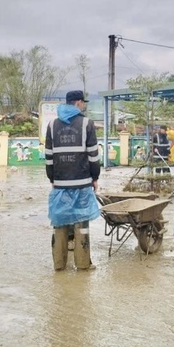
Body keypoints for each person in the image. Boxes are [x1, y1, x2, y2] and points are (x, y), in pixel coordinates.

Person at [45, 90, 101, 271]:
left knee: (60, 223)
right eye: (83, 102)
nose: (83, 105)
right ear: (77, 103)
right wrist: (95, 177)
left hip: (60, 183)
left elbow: (48, 157)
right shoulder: (87, 123)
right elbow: (93, 155)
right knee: (81, 223)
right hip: (82, 182)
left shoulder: (52, 125)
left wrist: (52, 178)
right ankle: (83, 265)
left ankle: (59, 265)